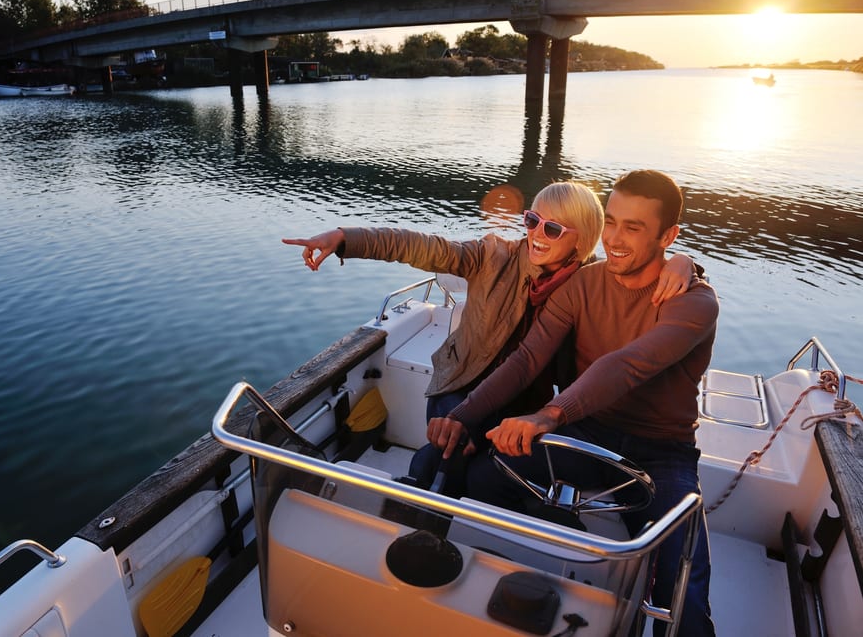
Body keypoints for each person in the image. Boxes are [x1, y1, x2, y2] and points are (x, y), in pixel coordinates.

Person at [283, 181, 695, 496]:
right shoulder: (492, 255)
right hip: (462, 386)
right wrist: (345, 238)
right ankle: (421, 518)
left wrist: (685, 263)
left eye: (552, 228)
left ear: (583, 239)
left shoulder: (588, 282)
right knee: (448, 451)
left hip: (527, 402)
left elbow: (641, 270)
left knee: (492, 464)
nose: (536, 234)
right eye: (531, 220)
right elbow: (419, 246)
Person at [442, 170, 718, 637]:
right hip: (588, 431)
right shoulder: (583, 283)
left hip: (660, 452)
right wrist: (461, 416)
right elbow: (529, 359)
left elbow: (629, 365)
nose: (614, 239)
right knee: (479, 476)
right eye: (610, 222)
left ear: (668, 237)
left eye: (633, 227)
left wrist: (550, 414)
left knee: (683, 580)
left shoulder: (695, 302)